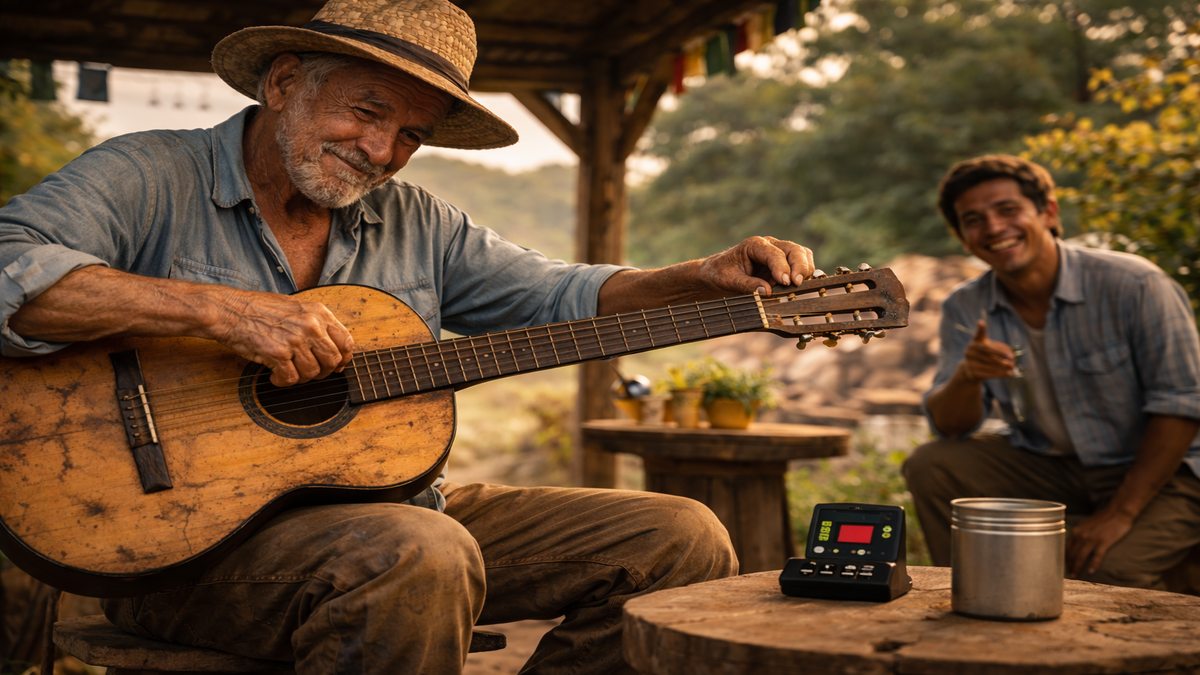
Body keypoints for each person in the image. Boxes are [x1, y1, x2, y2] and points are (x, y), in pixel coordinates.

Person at [0, 0, 816, 672]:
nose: (383, 152)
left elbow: (560, 293)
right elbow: (10, 263)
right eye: (367, 111)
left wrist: (697, 276)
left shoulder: (417, 219)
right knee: (417, 551)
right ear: (284, 81)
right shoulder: (149, 174)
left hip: (395, 515)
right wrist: (222, 311)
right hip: (173, 547)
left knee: (681, 537)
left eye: (410, 136)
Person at [904, 154, 1200, 590]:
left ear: (1048, 212)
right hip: (1052, 467)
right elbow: (949, 427)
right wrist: (968, 376)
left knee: (1103, 575)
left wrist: (1120, 514)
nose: (993, 228)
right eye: (974, 220)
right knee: (933, 465)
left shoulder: (1135, 285)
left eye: (1008, 210)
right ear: (964, 238)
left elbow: (1182, 406)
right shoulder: (965, 306)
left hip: (1165, 473)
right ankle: (973, 593)